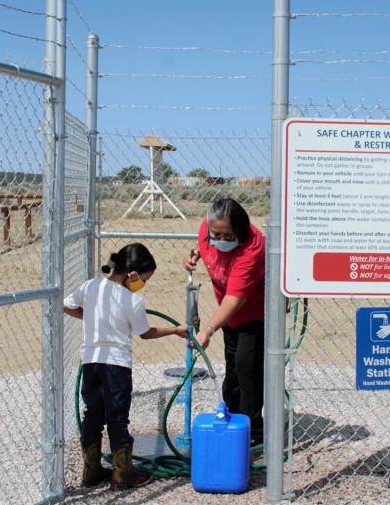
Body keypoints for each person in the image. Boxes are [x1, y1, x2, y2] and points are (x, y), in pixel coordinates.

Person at [64, 242, 188, 489]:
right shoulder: (133, 301)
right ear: (132, 275)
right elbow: (145, 332)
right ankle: (122, 474)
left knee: (93, 415)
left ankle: (91, 471)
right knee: (117, 418)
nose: (144, 284)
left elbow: (66, 305)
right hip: (117, 366)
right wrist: (176, 330)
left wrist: (90, 316)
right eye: (145, 279)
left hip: (90, 362)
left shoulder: (91, 286)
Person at [184, 197, 267, 444]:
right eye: (215, 234)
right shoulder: (208, 228)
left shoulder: (252, 248)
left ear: (240, 230)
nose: (220, 240)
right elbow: (204, 244)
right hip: (228, 315)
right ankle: (231, 418)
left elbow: (234, 299)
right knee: (232, 365)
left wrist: (208, 329)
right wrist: (194, 255)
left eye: (227, 236)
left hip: (255, 312)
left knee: (246, 367)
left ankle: (254, 433)